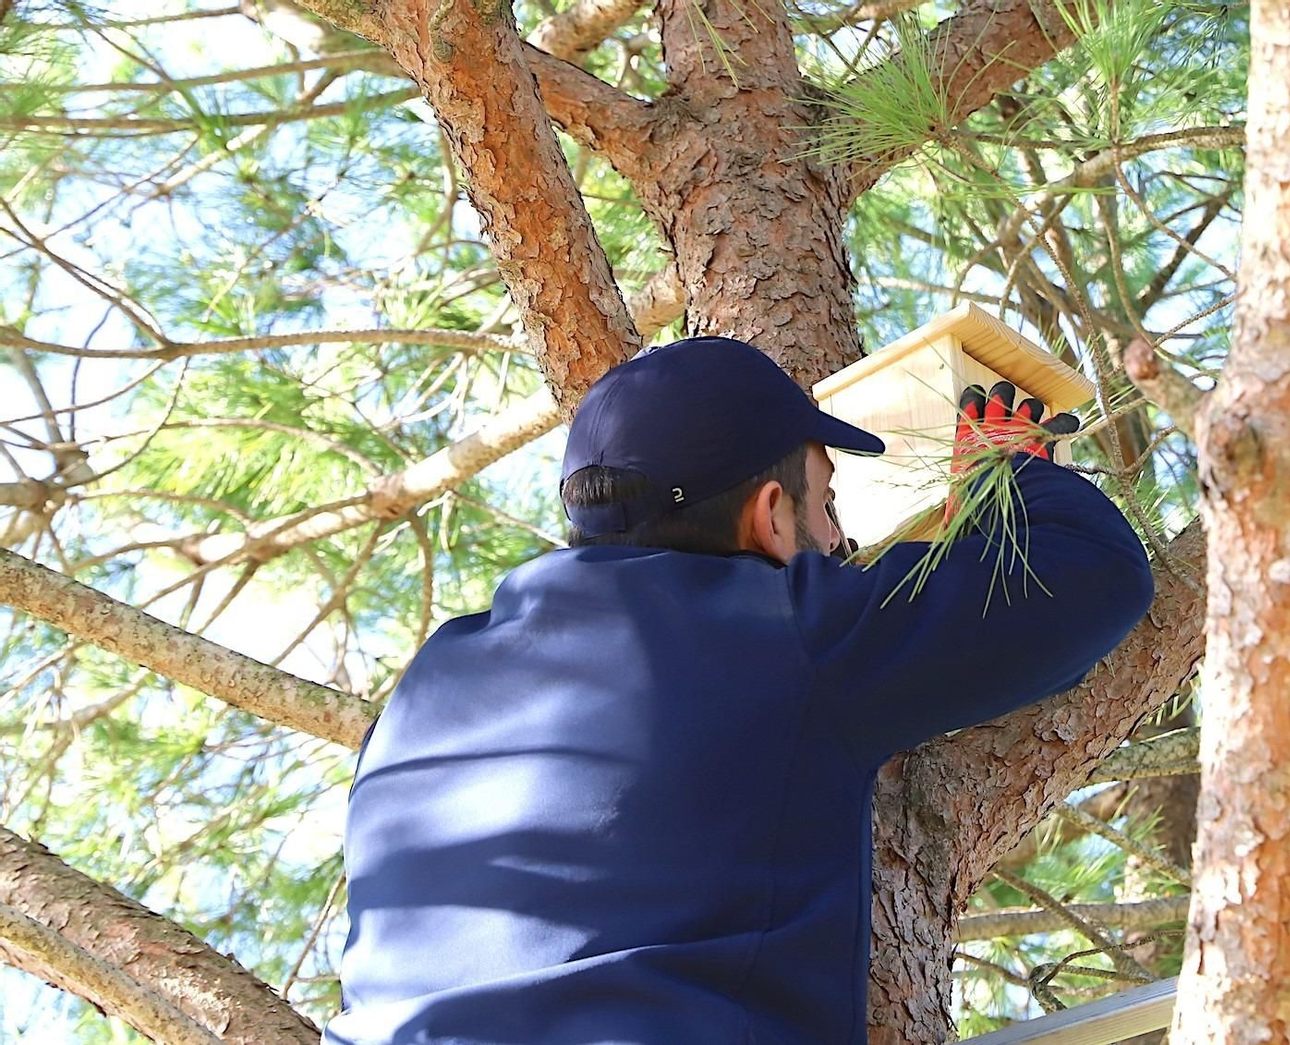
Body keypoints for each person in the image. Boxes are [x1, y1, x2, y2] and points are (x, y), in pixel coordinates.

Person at [325, 336, 1156, 1045]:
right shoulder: (782, 628)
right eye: (826, 504)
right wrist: (1001, 472)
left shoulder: (428, 677)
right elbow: (1094, 575)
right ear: (769, 514)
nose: (843, 541)